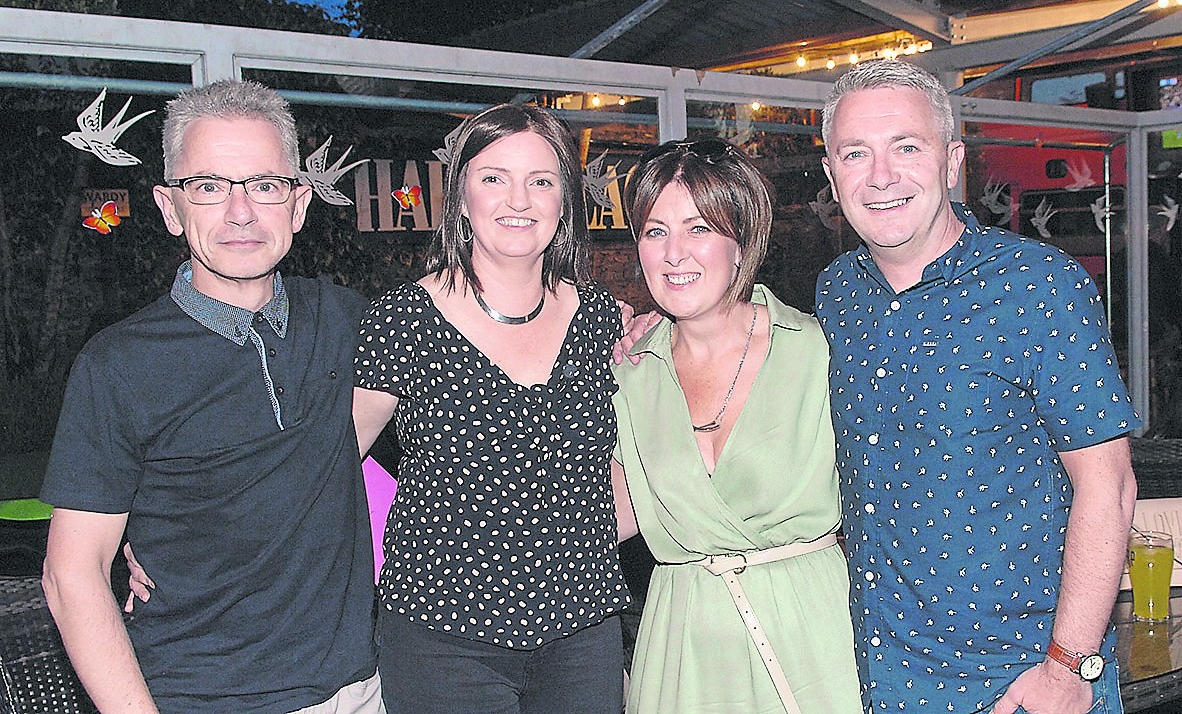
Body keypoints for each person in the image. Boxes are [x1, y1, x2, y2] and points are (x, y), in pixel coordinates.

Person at [40, 80, 382, 714]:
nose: (240, 211)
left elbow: (476, 322)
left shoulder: (347, 321)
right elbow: (71, 576)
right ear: (170, 208)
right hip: (196, 697)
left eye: (265, 185)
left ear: (298, 204)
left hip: (357, 691)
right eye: (209, 186)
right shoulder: (117, 364)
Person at [815, 58, 1139, 714]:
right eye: (855, 153)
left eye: (907, 147)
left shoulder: (1038, 285)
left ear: (952, 161)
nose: (881, 176)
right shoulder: (836, 293)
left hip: (1020, 683)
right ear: (831, 174)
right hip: (878, 677)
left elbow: (1110, 486)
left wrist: (1068, 667)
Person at [352, 104, 630, 714]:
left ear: (566, 200)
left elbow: (630, 468)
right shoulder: (403, 320)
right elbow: (330, 464)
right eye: (494, 177)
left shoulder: (603, 320)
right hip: (442, 639)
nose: (518, 200)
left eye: (541, 180)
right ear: (460, 195)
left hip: (583, 632)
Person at [611, 138, 862, 714]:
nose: (674, 254)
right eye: (655, 231)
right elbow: (604, 518)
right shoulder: (628, 375)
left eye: (698, 228)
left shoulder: (819, 352)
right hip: (683, 649)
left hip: (809, 638)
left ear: (742, 240)